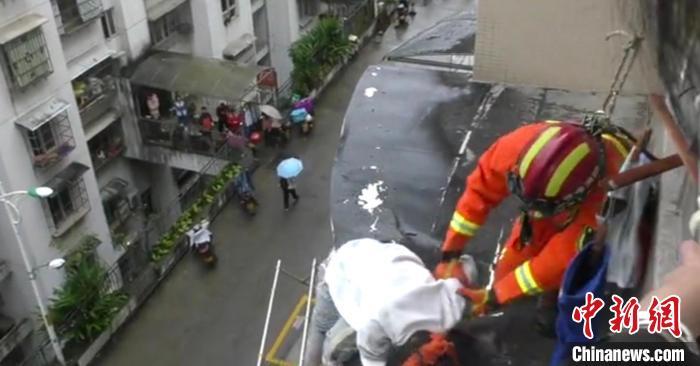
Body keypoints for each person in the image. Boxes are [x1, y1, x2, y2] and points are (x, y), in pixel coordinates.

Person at [434, 117, 633, 329]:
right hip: (561, 196)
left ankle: (555, 296)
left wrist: (496, 297)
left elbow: (557, 260)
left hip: (590, 214)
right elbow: (478, 193)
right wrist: (450, 254)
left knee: (572, 268)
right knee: (506, 272)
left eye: (543, 208)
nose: (534, 213)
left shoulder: (605, 198)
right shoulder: (513, 148)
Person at [304, 238, 479, 366]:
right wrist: (418, 358)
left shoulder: (444, 298)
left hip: (366, 256)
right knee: (327, 337)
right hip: (340, 273)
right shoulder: (383, 320)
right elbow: (371, 352)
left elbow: (461, 276)